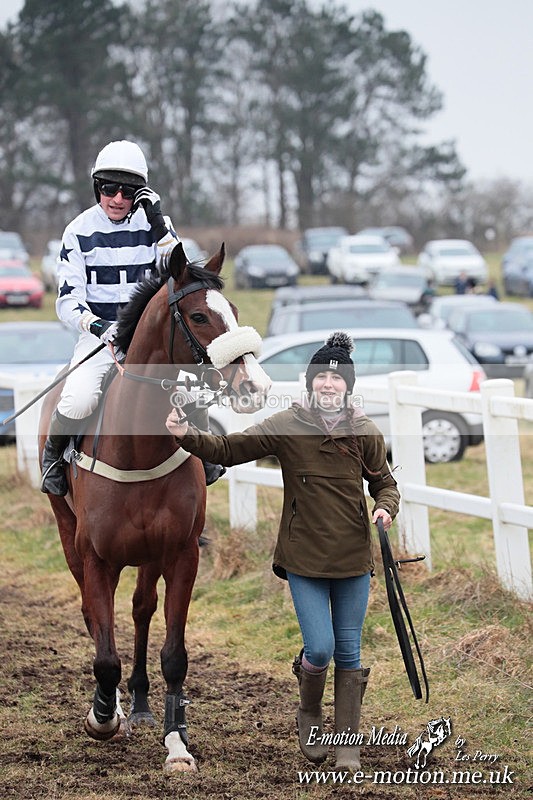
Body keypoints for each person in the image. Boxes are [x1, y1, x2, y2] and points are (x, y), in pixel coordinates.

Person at [165, 331, 400, 769]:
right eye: (321, 378)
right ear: (310, 383)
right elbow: (229, 449)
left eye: (337, 379)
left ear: (348, 385)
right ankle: (310, 711)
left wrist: (385, 510)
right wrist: (186, 435)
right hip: (303, 559)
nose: (328, 385)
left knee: (350, 650)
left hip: (353, 557)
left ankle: (347, 743)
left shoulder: (364, 431)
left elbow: (385, 483)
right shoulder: (287, 426)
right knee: (322, 649)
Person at [41, 139, 224, 495]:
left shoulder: (157, 226)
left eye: (129, 191)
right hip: (99, 337)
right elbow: (67, 302)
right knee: (77, 398)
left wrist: (156, 221)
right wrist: (98, 327)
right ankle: (52, 459)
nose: (118, 199)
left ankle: (204, 459)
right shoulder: (77, 231)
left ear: (141, 194)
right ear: (98, 187)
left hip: (152, 338)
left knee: (190, 391)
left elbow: (179, 271)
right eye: (109, 189)